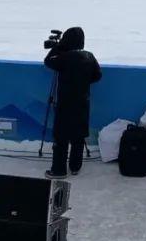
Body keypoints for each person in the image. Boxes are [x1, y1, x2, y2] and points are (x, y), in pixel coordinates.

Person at [44, 27, 102, 178]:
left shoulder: (65, 58)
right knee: (78, 136)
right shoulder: (89, 56)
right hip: (83, 102)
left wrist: (58, 47)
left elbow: (48, 61)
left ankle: (58, 170)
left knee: (61, 136)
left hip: (65, 103)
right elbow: (98, 75)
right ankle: (75, 166)